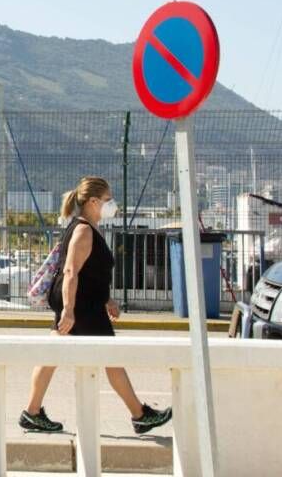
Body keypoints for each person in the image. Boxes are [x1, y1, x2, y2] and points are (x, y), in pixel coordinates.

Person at [19, 176, 172, 435]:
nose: (111, 204)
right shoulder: (83, 230)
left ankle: (31, 412)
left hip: (85, 302)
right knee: (110, 357)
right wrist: (69, 309)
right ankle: (139, 414)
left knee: (53, 351)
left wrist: (107, 299)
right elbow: (71, 271)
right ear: (92, 202)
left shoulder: (85, 227)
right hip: (82, 305)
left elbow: (92, 273)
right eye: (107, 199)